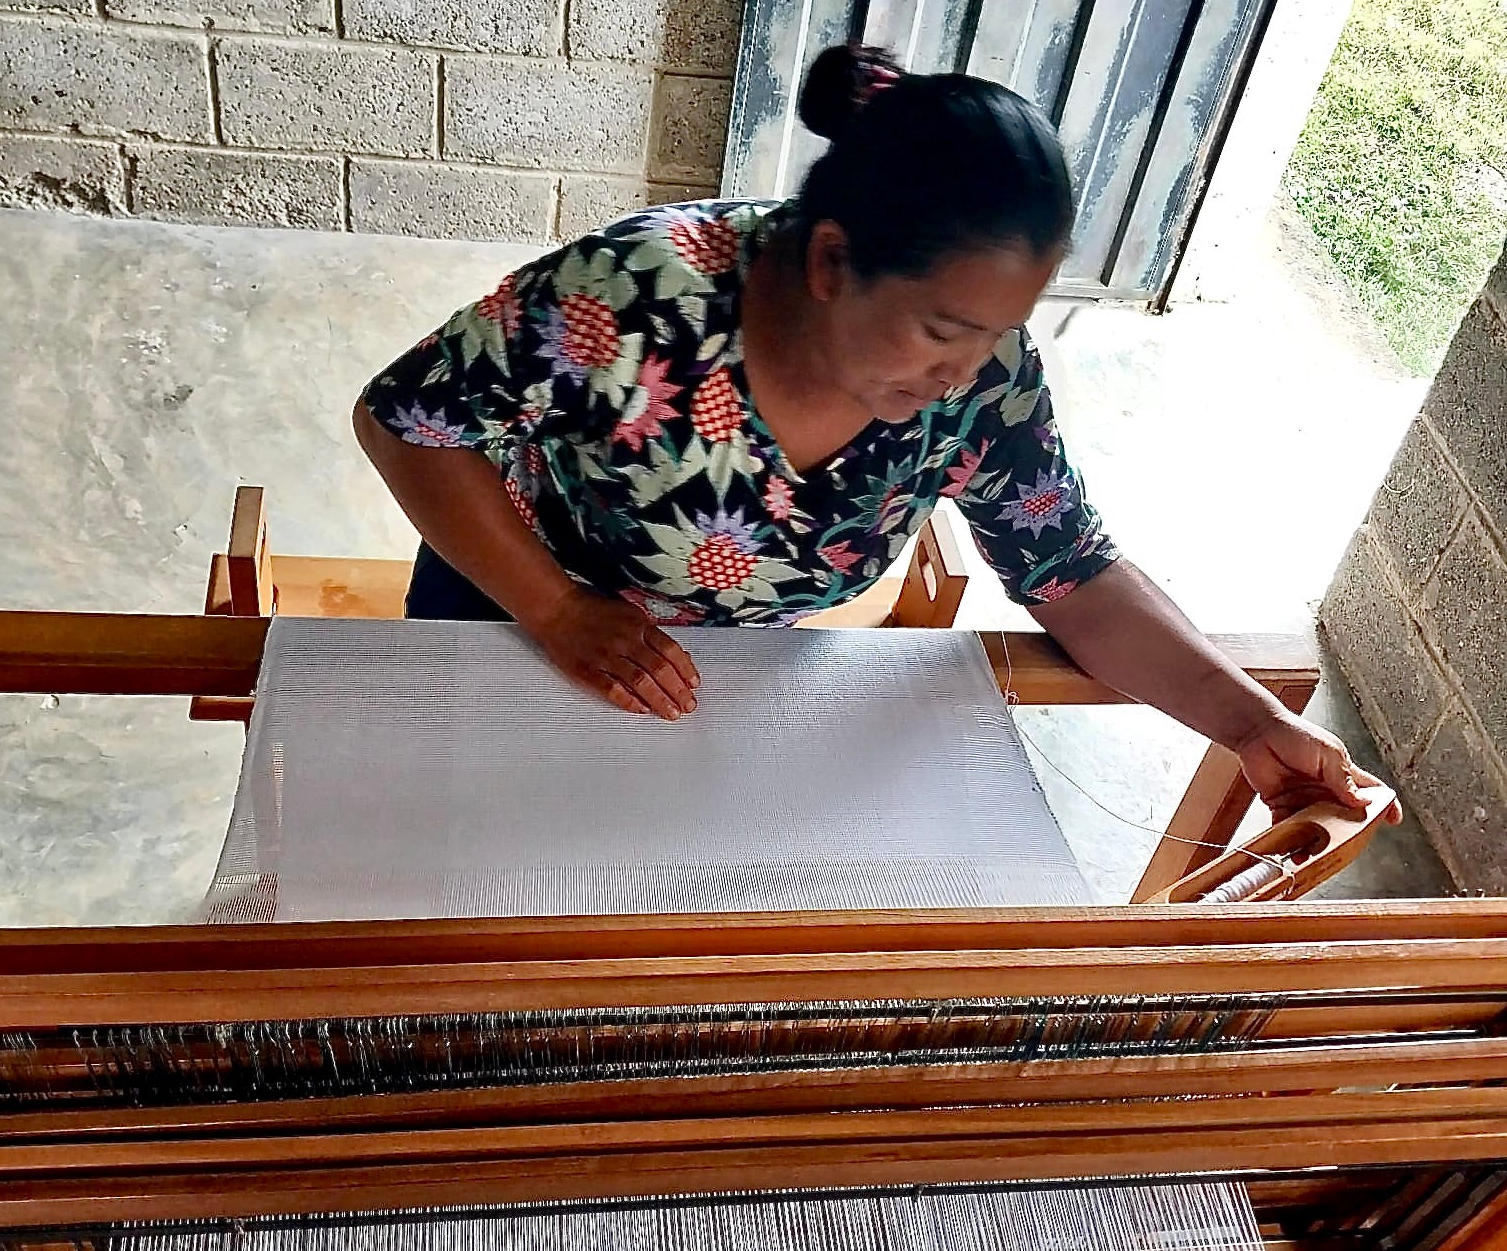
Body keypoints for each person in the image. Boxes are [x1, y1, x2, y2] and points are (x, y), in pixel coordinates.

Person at [355, 42, 1396, 826]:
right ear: (829, 263)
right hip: (511, 599)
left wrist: (1249, 721)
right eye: (943, 328)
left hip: (716, 670)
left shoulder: (978, 382)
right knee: (450, 840)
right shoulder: (630, 302)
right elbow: (406, 422)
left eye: (997, 333)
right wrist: (556, 610)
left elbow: (1069, 570)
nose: (965, 368)